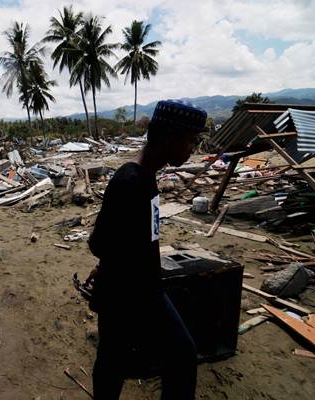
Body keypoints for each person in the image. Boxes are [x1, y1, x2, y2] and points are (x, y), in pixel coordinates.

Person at [88, 100, 207, 400]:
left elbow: (132, 238)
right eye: (190, 140)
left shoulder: (146, 178)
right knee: (179, 356)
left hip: (141, 289)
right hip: (130, 294)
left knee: (116, 361)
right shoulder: (130, 181)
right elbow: (99, 242)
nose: (193, 147)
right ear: (168, 137)